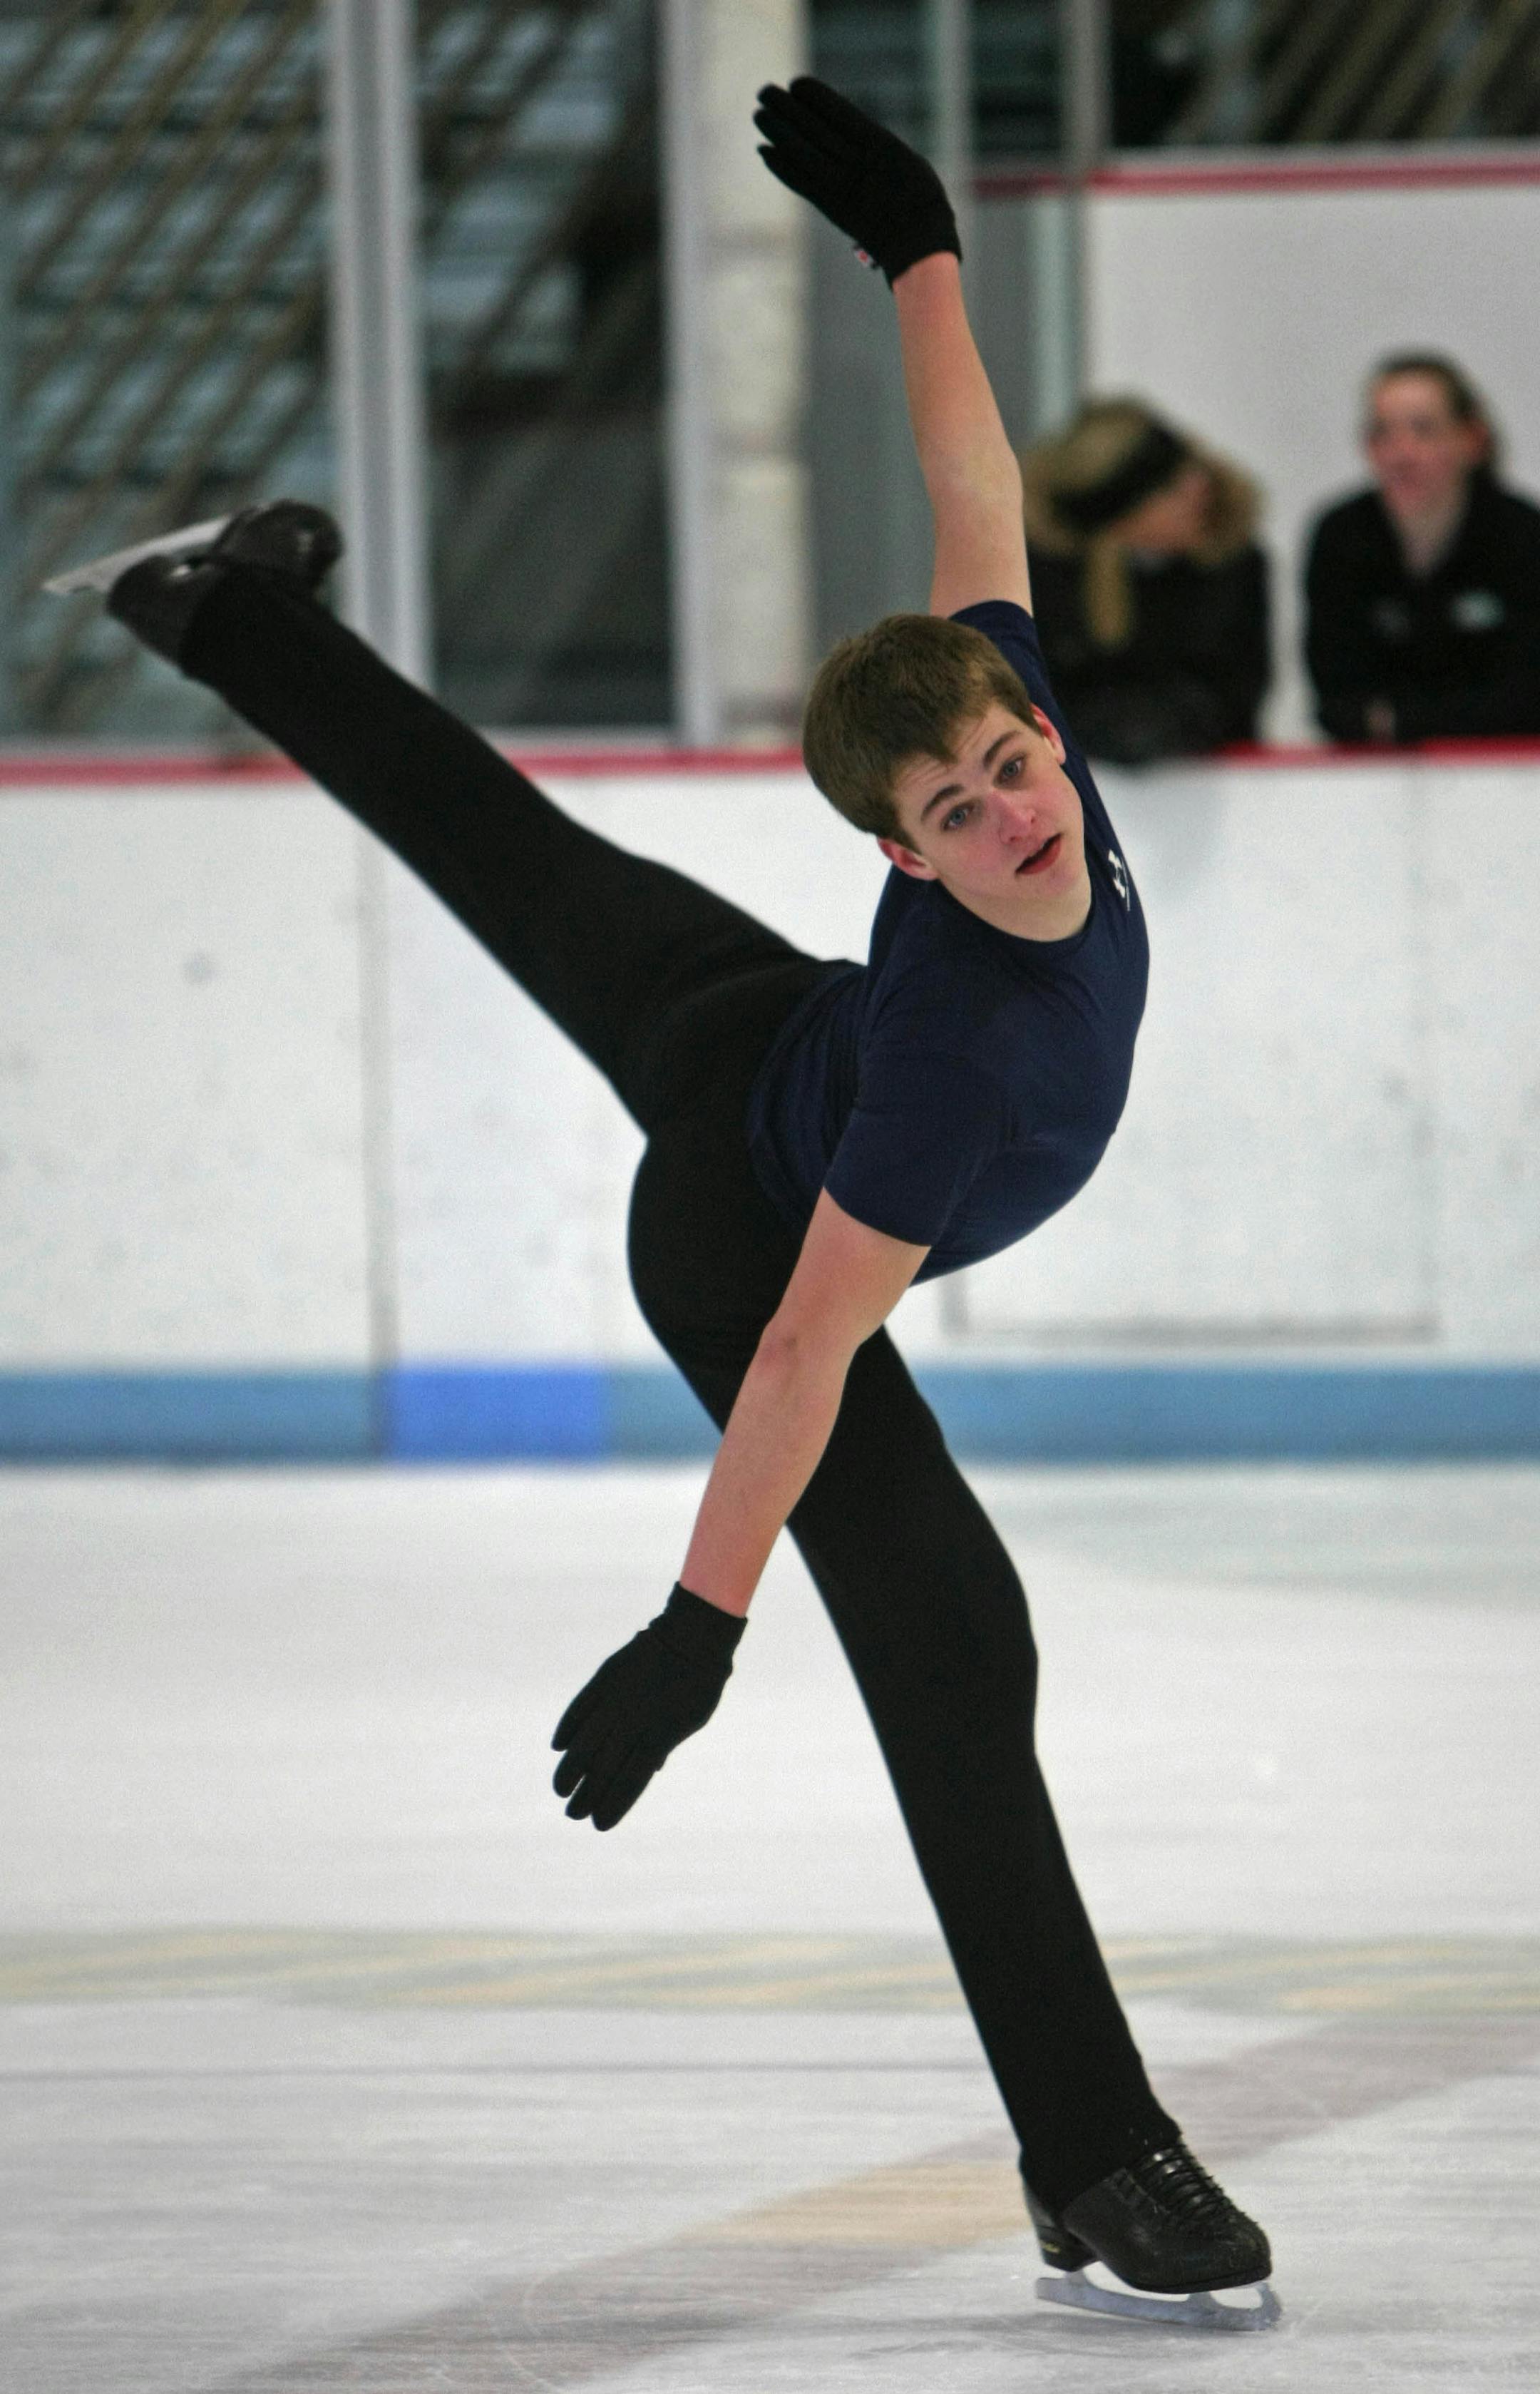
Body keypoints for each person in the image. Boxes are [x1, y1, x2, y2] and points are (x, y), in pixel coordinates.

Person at [58, 78, 1278, 2333]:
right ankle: (1095, 2157)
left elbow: (969, 482)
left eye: (1017, 764)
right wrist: (702, 1628)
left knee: (522, 860)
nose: (1018, 811)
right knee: (959, 1647)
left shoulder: (1012, 730)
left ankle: (224, 612)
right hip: (755, 1222)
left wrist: (914, 238)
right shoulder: (950, 1073)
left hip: (759, 1023)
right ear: (899, 852)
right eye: (963, 807)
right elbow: (809, 1348)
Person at [1305, 352, 1540, 742]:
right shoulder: (1342, 537)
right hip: (1374, 780)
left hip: (1508, 779)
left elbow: (1527, 694)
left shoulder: (1521, 536)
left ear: (1472, 439)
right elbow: (1337, 697)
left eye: (1423, 430)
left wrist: (1401, 721)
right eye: (1384, 433)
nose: (1401, 454)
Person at [1021, 398, 1270, 765]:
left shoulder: (1233, 563)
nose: (1197, 486)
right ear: (1122, 520)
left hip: (1214, 781)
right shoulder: (1048, 577)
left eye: (1188, 465)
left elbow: (1237, 689)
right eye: (1168, 486)